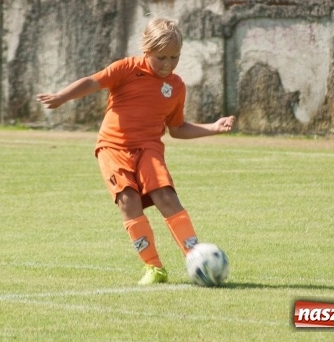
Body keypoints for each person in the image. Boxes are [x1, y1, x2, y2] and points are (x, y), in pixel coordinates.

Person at [36, 17, 235, 285]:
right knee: (128, 200)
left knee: (166, 196)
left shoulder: (176, 86)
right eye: (161, 57)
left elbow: (176, 128)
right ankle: (154, 267)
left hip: (149, 147)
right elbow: (92, 82)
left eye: (174, 57)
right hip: (113, 147)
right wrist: (62, 96)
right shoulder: (126, 69)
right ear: (146, 51)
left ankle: (195, 257)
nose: (168, 64)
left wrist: (213, 127)